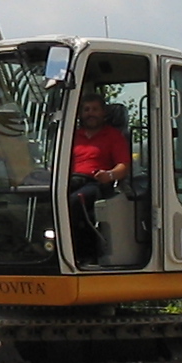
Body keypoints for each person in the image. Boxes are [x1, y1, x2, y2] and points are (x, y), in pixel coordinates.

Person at [69, 95, 131, 260]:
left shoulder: (113, 136)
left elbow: (123, 166)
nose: (91, 113)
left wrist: (109, 175)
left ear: (104, 113)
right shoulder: (71, 136)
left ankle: (81, 254)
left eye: (95, 109)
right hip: (69, 181)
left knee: (74, 201)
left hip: (96, 183)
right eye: (86, 110)